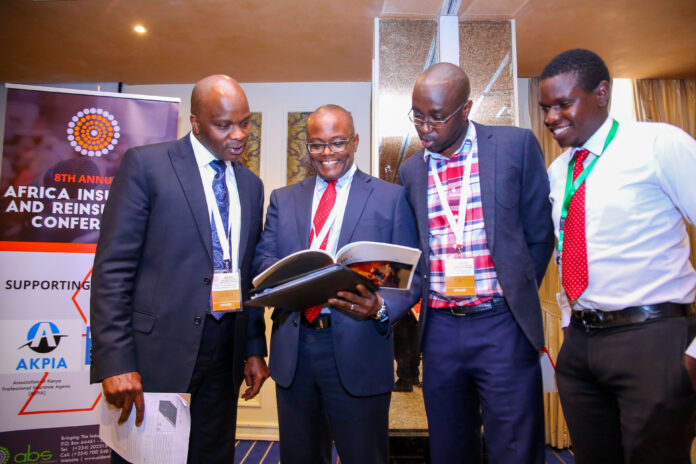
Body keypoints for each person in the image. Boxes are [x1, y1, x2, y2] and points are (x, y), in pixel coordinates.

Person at [90, 74, 269, 464]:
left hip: (225, 351)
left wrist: (254, 349)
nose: (238, 134)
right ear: (196, 122)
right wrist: (116, 361)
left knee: (212, 454)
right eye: (224, 125)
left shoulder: (251, 185)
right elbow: (112, 270)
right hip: (157, 352)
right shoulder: (147, 166)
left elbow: (247, 274)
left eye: (245, 122)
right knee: (150, 456)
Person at [540, 48, 696, 464]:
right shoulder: (560, 171)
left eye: (563, 104)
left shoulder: (659, 144)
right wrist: (571, 323)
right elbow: (568, 248)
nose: (551, 117)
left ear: (602, 93)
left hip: (654, 339)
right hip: (582, 344)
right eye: (545, 108)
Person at [398, 62, 554, 464]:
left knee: (515, 448)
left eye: (436, 116)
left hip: (502, 326)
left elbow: (539, 235)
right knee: (449, 448)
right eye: (417, 115)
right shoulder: (411, 170)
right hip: (441, 330)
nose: (424, 127)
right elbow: (415, 253)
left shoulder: (515, 146)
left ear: (466, 109)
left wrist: (513, 294)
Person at [253, 104, 420, 464]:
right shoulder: (283, 199)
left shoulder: (390, 198)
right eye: (316, 145)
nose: (327, 153)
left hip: (359, 347)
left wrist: (381, 308)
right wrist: (289, 277)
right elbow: (263, 261)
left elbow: (410, 275)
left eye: (337, 142)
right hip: (295, 349)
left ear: (355, 141)